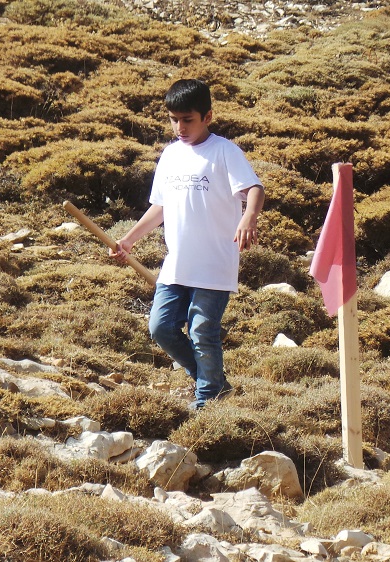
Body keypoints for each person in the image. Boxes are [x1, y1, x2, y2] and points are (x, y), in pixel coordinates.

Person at [110, 79, 264, 411]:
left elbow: (254, 188)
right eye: (174, 119)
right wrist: (129, 239)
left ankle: (207, 398)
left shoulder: (224, 151)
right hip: (177, 264)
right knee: (161, 328)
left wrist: (249, 217)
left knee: (202, 331)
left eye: (188, 120)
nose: (180, 127)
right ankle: (215, 383)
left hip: (214, 265)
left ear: (207, 116)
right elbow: (160, 207)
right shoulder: (170, 155)